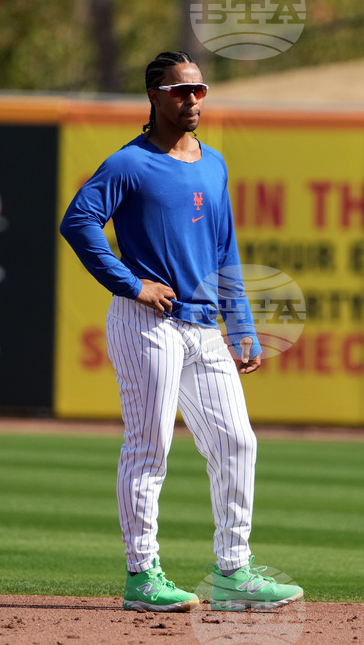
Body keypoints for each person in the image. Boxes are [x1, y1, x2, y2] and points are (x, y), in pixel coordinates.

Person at [60, 51, 302, 613]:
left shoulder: (213, 162)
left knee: (237, 441)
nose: (191, 99)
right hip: (147, 323)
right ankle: (142, 575)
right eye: (179, 90)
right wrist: (130, 284)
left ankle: (233, 572)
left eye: (199, 90)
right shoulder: (130, 163)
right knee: (151, 447)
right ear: (154, 96)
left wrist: (241, 323)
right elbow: (78, 221)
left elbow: (224, 247)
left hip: (202, 324)